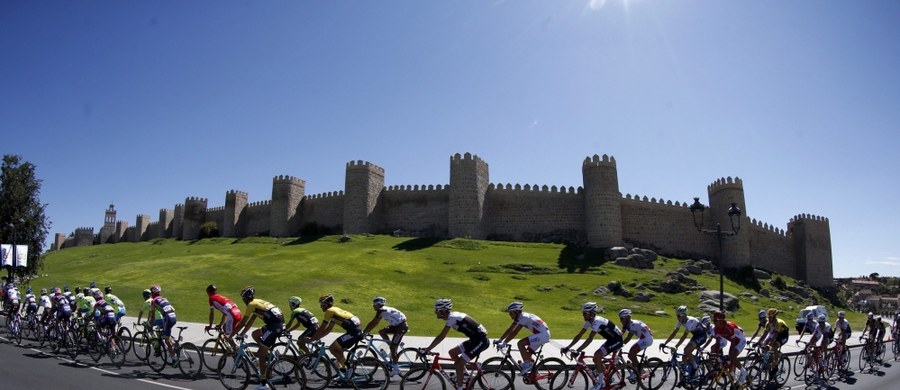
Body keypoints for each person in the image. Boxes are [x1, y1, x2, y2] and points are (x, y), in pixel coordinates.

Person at [423, 299, 489, 390]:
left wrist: (428, 348)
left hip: (481, 341)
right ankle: (465, 374)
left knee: (458, 364)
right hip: (475, 339)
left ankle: (460, 388)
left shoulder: (452, 318)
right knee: (452, 352)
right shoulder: (453, 316)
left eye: (437, 310)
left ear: (443, 311)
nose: (435, 312)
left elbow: (441, 336)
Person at [560, 302, 623, 390]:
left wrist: (578, 350)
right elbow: (579, 335)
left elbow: (590, 339)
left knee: (597, 356)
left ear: (592, 313)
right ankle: (606, 377)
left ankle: (600, 383)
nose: (583, 315)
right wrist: (568, 347)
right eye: (583, 313)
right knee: (595, 358)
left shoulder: (597, 321)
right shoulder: (589, 321)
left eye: (585, 313)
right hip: (610, 340)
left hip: (617, 340)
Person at [234, 286, 284, 390]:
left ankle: (263, 383)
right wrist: (242, 334)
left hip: (273, 326)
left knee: (261, 353)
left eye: (243, 299)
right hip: (276, 324)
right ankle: (269, 351)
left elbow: (243, 322)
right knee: (255, 334)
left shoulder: (251, 305)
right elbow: (250, 322)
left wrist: (231, 335)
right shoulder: (258, 302)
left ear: (245, 298)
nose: (243, 301)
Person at [303, 294, 363, 375]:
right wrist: (317, 338)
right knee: (338, 350)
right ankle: (344, 372)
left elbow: (322, 328)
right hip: (356, 331)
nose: (321, 307)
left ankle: (350, 367)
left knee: (332, 349)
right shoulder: (335, 310)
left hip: (353, 332)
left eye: (322, 304)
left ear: (326, 304)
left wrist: (311, 339)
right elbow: (328, 329)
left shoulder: (329, 311)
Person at [494, 301, 550, 376]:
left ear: (517, 312)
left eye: (511, 312)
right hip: (540, 334)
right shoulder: (519, 317)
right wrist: (500, 340)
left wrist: (504, 343)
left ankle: (528, 365)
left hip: (543, 335)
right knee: (527, 355)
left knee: (520, 343)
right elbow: (510, 329)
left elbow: (515, 332)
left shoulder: (524, 318)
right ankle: (534, 374)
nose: (509, 314)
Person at [362, 296, 409, 377]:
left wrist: (365, 332)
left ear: (378, 304)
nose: (373, 306)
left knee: (393, 348)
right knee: (382, 332)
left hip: (401, 327)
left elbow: (373, 323)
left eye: (374, 304)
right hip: (397, 325)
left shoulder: (381, 310)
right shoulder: (384, 309)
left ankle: (396, 369)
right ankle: (392, 347)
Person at [660, 306, 705, 378]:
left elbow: (684, 336)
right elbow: (674, 333)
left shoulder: (690, 321)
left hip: (701, 336)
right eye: (676, 316)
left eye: (678, 316)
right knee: (684, 357)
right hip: (695, 336)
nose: (677, 317)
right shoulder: (680, 321)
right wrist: (665, 343)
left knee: (686, 350)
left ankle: (695, 367)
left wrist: (676, 346)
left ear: (684, 315)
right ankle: (687, 375)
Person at [711, 311, 748, 384]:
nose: (714, 322)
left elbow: (733, 343)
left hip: (740, 341)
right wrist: (716, 355)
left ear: (721, 321)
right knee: (729, 362)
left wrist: (730, 357)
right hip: (733, 342)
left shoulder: (729, 327)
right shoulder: (716, 329)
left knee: (732, 358)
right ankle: (733, 379)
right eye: (713, 320)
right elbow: (718, 343)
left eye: (716, 320)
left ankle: (743, 372)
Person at [205, 284, 243, 352]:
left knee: (227, 337)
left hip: (232, 316)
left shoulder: (211, 298)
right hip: (238, 313)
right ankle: (237, 351)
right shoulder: (220, 297)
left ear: (208, 292)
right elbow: (225, 313)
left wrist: (210, 326)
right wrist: (220, 324)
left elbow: (212, 314)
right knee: (225, 328)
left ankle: (236, 352)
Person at [619, 309, 654, 381]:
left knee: (632, 352)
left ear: (627, 318)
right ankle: (640, 370)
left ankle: (636, 373)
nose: (621, 320)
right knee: (630, 355)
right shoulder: (626, 324)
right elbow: (624, 336)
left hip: (647, 339)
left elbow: (628, 337)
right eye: (620, 318)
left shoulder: (634, 325)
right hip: (642, 338)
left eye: (622, 318)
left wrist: (620, 345)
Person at [149, 284, 178, 356]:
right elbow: (173, 309)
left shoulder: (154, 301)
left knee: (166, 340)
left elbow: (152, 316)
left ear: (152, 293)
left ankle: (174, 358)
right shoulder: (164, 299)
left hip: (168, 318)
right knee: (167, 335)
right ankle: (175, 345)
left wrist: (150, 324)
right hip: (173, 317)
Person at [760, 308, 790, 375]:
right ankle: (768, 361)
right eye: (769, 317)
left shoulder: (778, 323)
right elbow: (765, 334)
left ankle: (775, 365)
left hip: (783, 335)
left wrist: (770, 344)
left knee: (774, 345)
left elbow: (775, 336)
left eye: (771, 317)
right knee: (764, 344)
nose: (769, 318)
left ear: (774, 317)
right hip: (775, 334)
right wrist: (759, 342)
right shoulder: (768, 323)